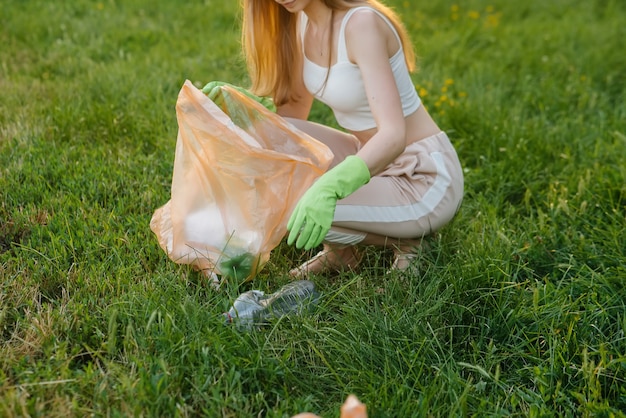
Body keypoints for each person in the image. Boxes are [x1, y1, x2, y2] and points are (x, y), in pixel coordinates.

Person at [238, 0, 464, 277]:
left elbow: (394, 136)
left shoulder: (361, 24)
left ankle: (411, 240)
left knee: (288, 203)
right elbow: (290, 120)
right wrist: (239, 110)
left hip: (421, 176)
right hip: (369, 156)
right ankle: (341, 255)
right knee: (261, 142)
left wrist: (328, 187)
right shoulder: (301, 21)